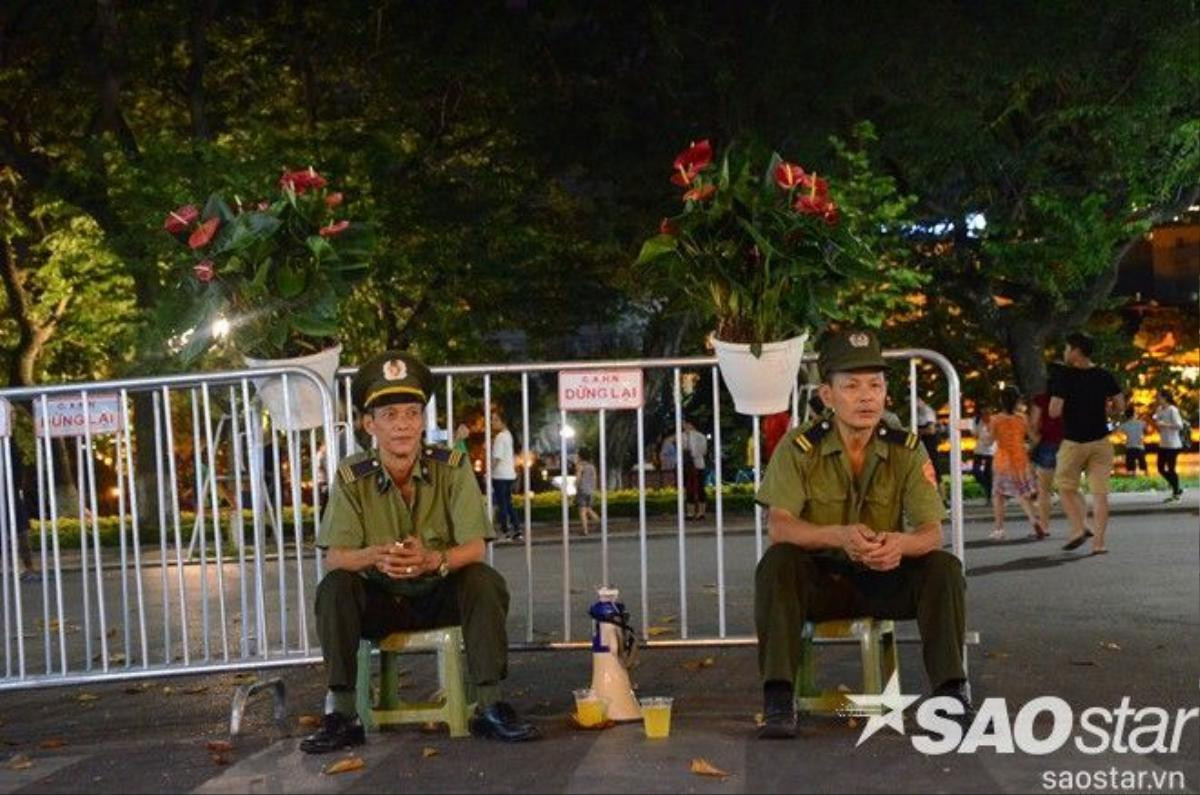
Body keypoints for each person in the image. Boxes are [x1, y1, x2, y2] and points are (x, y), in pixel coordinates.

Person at [300, 351, 540, 753]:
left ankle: (490, 704)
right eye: (390, 416)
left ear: (423, 421)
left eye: (412, 414)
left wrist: (434, 560)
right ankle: (342, 714)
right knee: (335, 588)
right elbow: (336, 556)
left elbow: (475, 548)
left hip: (436, 592)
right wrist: (375, 556)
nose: (403, 426)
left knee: (484, 581)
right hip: (380, 599)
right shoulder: (350, 476)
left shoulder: (453, 466)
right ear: (369, 424)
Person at [753, 329, 970, 739]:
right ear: (827, 396)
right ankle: (778, 697)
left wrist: (899, 545)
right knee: (777, 564)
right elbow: (779, 526)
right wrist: (838, 536)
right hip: (822, 582)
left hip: (884, 577)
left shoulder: (906, 448)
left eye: (875, 384)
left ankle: (951, 693)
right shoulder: (799, 447)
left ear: (887, 392)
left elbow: (930, 533)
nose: (866, 396)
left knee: (943, 568)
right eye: (851, 386)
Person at [1049, 332, 1124, 554]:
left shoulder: (1064, 376)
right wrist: (1106, 408)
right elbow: (1120, 405)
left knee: (1065, 486)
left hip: (1074, 442)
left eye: (1066, 348)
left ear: (1076, 351)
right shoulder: (1103, 375)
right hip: (1101, 442)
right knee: (1100, 494)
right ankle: (1099, 544)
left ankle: (1079, 528)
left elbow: (1054, 411)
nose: (1064, 352)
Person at [988, 387, 1043, 540]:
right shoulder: (1022, 418)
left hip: (1003, 459)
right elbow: (1034, 438)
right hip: (1021, 458)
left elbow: (990, 440)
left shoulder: (995, 419)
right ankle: (1034, 520)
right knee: (1023, 493)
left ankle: (999, 529)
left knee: (998, 495)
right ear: (1017, 400)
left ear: (1001, 401)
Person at [1028, 365, 1067, 538]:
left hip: (1048, 444)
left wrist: (1034, 440)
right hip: (1069, 444)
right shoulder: (1071, 398)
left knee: (1044, 489)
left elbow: (1034, 424)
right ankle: (1082, 524)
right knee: (1070, 487)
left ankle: (1044, 526)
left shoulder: (1041, 400)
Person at [490, 409, 520, 541]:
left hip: (500, 475)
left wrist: (488, 472)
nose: (492, 422)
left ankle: (505, 531)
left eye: (495, 419)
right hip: (509, 474)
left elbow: (496, 458)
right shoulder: (508, 435)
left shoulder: (500, 437)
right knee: (507, 503)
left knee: (501, 503)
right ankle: (516, 529)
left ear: (502, 422)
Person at [1153, 389, 1185, 503]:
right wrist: (1157, 423)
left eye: (1159, 396)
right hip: (1163, 443)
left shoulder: (1173, 410)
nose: (1157, 398)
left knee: (1171, 469)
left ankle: (1176, 495)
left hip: (1173, 445)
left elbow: (1180, 426)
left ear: (1165, 398)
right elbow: (1159, 425)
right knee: (1160, 468)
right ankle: (1177, 489)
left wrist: (1164, 424)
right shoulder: (1159, 409)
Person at [682, 419, 708, 520]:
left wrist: (691, 438)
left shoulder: (700, 436)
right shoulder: (682, 436)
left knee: (700, 488)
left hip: (698, 465)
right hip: (686, 465)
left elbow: (702, 450)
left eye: (686, 424)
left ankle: (701, 512)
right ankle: (690, 512)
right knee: (688, 488)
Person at [971, 406, 995, 504]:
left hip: (991, 451)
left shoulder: (994, 422)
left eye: (987, 413)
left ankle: (989, 497)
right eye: (983, 414)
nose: (985, 416)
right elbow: (974, 434)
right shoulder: (977, 421)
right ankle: (987, 486)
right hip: (979, 450)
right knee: (976, 471)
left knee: (988, 473)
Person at [573, 448, 599, 535]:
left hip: (582, 490)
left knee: (582, 511)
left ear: (580, 456)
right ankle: (600, 524)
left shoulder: (580, 466)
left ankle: (585, 530)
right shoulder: (592, 466)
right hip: (590, 491)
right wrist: (593, 488)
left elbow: (578, 478)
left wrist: (575, 485)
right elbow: (595, 479)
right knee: (588, 509)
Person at [1118, 406, 1148, 476]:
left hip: (1129, 446)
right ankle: (1146, 475)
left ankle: (1133, 475)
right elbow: (1147, 431)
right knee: (1142, 463)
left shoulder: (1125, 425)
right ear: (1134, 414)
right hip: (1140, 446)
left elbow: (1117, 432)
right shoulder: (1141, 423)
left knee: (1131, 464)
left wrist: (1123, 440)